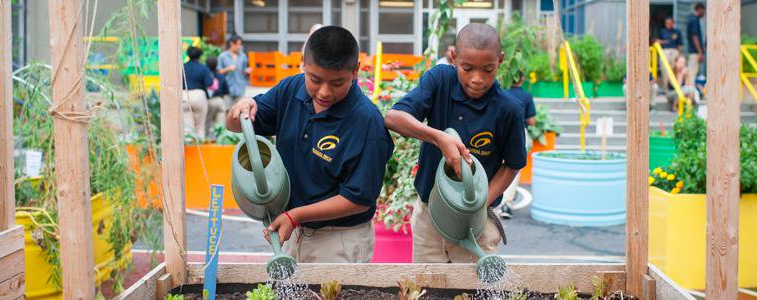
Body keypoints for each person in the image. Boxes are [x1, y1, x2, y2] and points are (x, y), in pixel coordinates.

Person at [225, 26, 394, 263]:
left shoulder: (366, 122)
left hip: (340, 240)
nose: (324, 92)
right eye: (315, 79)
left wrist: (296, 216)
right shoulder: (291, 89)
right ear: (304, 63)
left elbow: (357, 200)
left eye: (337, 83)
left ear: (355, 71)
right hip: (295, 229)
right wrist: (240, 109)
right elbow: (235, 125)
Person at [385, 23, 526, 263]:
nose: (477, 79)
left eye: (488, 69)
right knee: (426, 287)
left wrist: (478, 203)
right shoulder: (439, 81)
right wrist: (439, 137)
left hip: (476, 222)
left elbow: (512, 164)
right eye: (467, 68)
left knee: (474, 289)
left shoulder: (508, 109)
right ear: (453, 57)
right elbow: (393, 118)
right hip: (430, 216)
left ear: (500, 60)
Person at [500, 73, 536, 219]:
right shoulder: (526, 96)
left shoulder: (503, 93)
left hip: (500, 133)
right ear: (522, 79)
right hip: (519, 133)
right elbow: (532, 121)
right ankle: (506, 203)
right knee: (513, 168)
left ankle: (494, 200)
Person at [182, 46, 213, 140]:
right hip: (199, 96)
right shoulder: (203, 68)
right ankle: (200, 150)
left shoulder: (182, 67)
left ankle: (189, 149)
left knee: (187, 127)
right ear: (199, 56)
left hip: (184, 95)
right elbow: (209, 83)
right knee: (200, 126)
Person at [218, 35, 250, 106]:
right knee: (227, 112)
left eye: (240, 44)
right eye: (237, 44)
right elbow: (218, 72)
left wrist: (246, 71)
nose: (239, 47)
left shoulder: (243, 56)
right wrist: (228, 69)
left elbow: (243, 71)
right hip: (227, 89)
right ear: (231, 44)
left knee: (239, 112)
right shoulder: (222, 56)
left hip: (240, 89)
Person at [206, 57, 229, 137]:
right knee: (220, 125)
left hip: (209, 101)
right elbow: (226, 91)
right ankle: (220, 142)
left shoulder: (206, 75)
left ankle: (205, 140)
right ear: (217, 65)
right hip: (220, 100)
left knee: (207, 123)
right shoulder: (221, 76)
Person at [658, 16, 683, 88]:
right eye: (667, 23)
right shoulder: (662, 31)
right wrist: (663, 42)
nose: (668, 24)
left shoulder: (677, 32)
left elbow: (679, 45)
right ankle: (666, 87)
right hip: (665, 51)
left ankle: (672, 86)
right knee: (664, 69)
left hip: (674, 51)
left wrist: (679, 56)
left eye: (670, 23)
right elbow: (657, 41)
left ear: (673, 23)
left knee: (671, 69)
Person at [686, 3, 706, 81]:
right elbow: (694, 36)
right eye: (704, 11)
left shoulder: (692, 19)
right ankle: (690, 92)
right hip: (694, 51)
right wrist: (700, 52)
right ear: (699, 9)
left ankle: (690, 91)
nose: (704, 13)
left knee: (692, 72)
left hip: (693, 51)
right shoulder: (694, 20)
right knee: (692, 72)